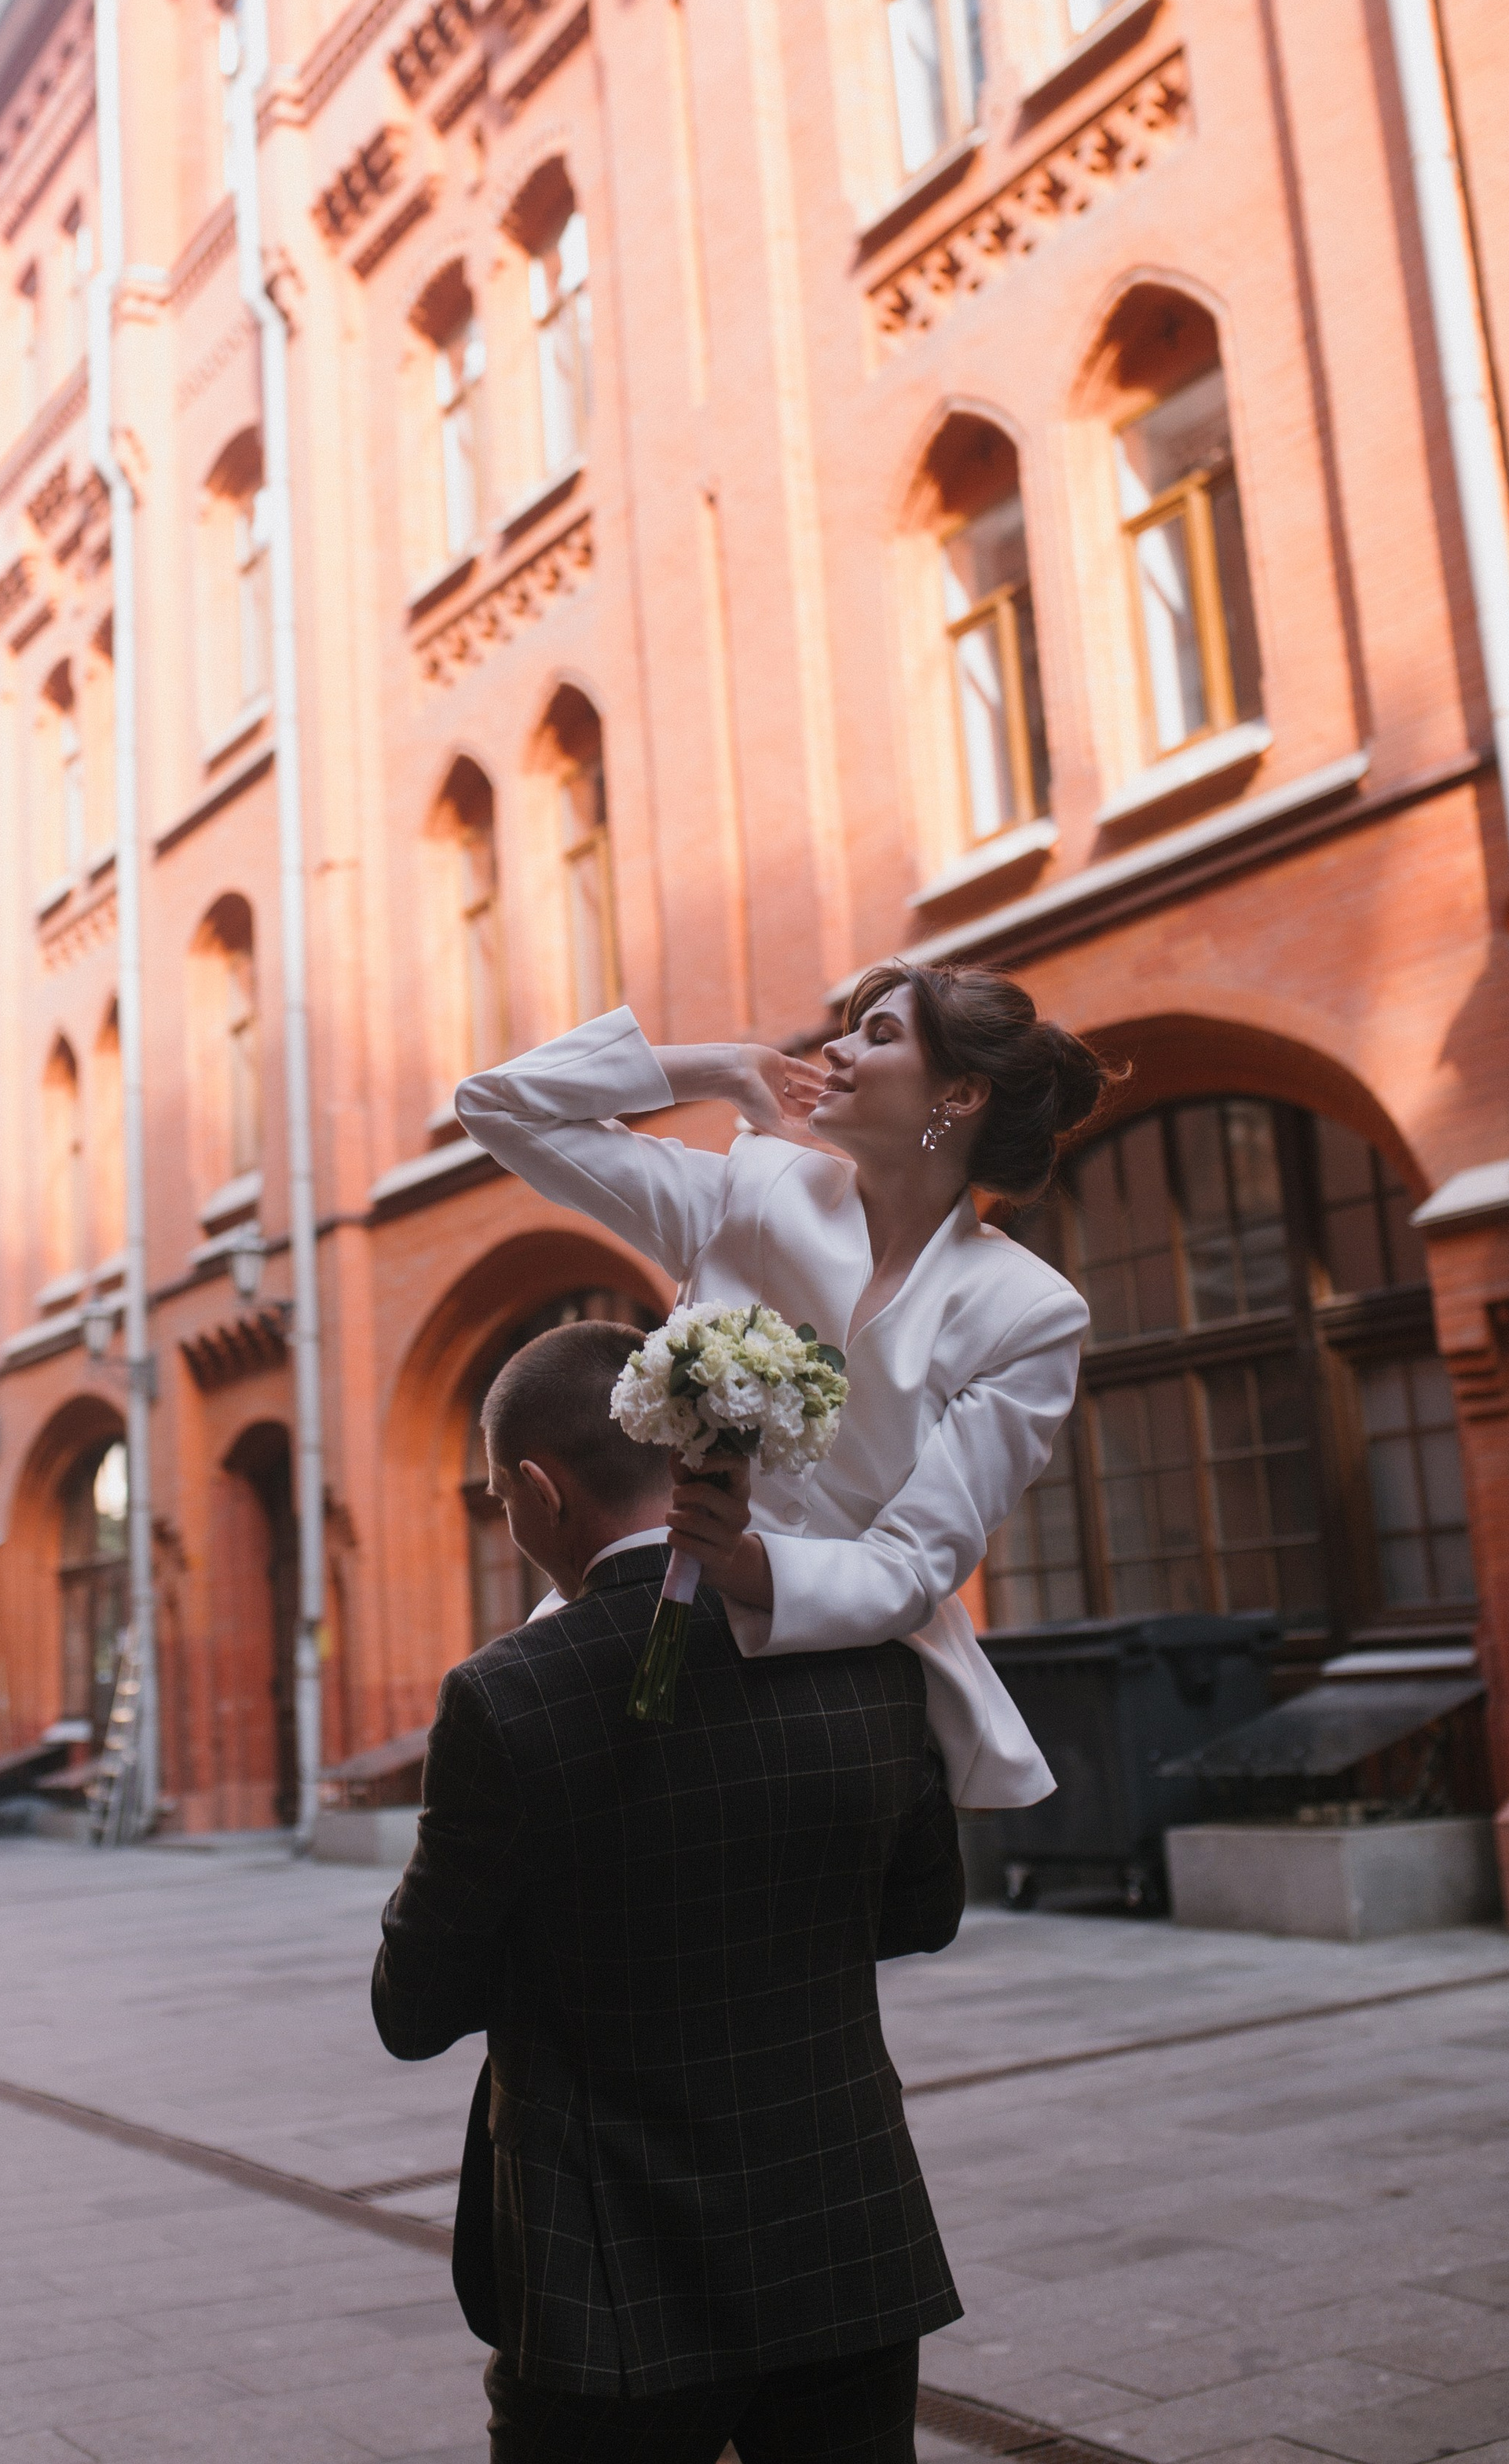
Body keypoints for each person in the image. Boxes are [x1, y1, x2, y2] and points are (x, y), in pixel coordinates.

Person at [375, 1319, 966, 2462]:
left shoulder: (510, 1696)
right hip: (841, 2229)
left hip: (610, 2266)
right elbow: (921, 1911)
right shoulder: (872, 1654)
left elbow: (413, 2006)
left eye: (503, 1493)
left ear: (540, 1489)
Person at [453, 960, 1110, 1809]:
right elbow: (495, 1106)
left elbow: (912, 1565)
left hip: (842, 1677)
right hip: (645, 1632)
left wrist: (745, 1563)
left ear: (960, 1095)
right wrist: (718, 1066)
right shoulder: (751, 1191)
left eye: (877, 1035)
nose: (832, 1050)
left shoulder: (1028, 1312)